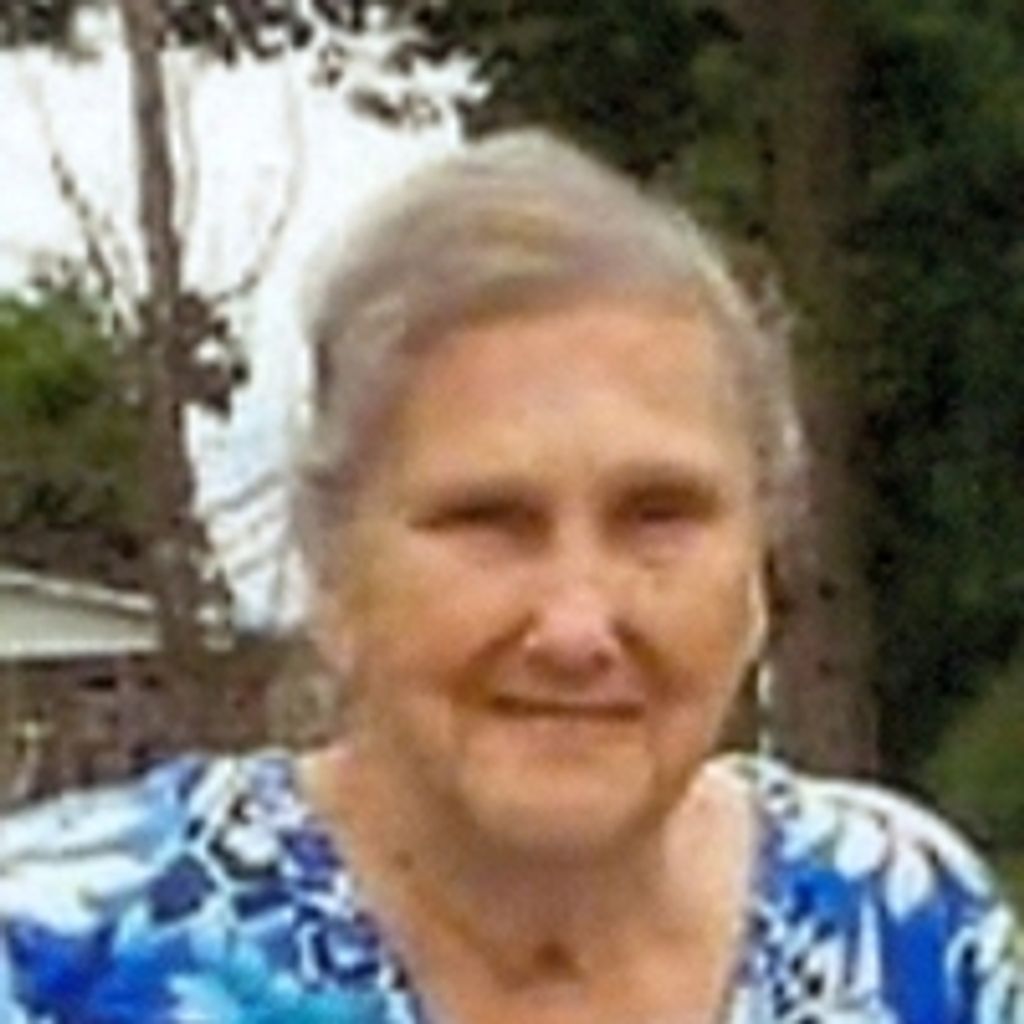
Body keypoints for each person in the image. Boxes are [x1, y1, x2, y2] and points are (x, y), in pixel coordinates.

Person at [0, 131, 1020, 1024]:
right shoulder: (57, 957)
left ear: (759, 566)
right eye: (488, 521)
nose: (577, 627)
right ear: (335, 572)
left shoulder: (903, 924)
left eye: (659, 515)